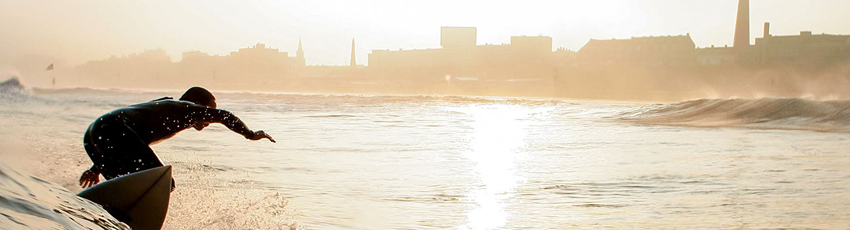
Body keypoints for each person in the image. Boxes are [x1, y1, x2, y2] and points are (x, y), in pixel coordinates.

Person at [78, 87, 275, 190]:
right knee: (164, 182)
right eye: (208, 110)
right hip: (114, 129)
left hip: (93, 134)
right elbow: (224, 115)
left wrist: (96, 168)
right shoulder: (185, 109)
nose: (208, 118)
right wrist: (250, 134)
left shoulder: (167, 110)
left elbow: (129, 143)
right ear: (198, 104)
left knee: (124, 183)